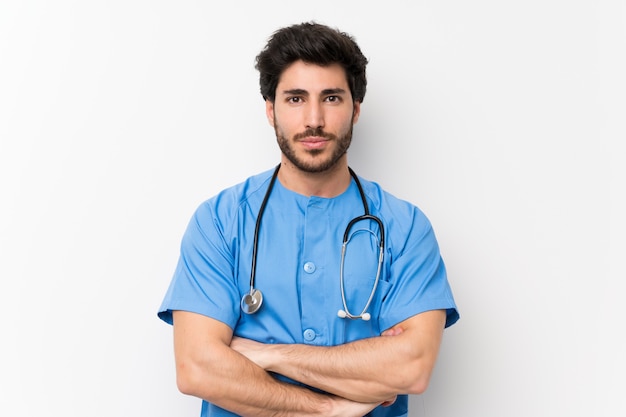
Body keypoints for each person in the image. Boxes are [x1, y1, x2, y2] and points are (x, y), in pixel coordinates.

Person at [158, 21, 459, 417]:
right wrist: (329, 409)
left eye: (331, 98)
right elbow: (197, 369)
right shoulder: (220, 221)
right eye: (296, 99)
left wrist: (267, 355)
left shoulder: (405, 228)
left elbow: (411, 368)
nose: (314, 119)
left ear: (356, 110)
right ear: (271, 110)